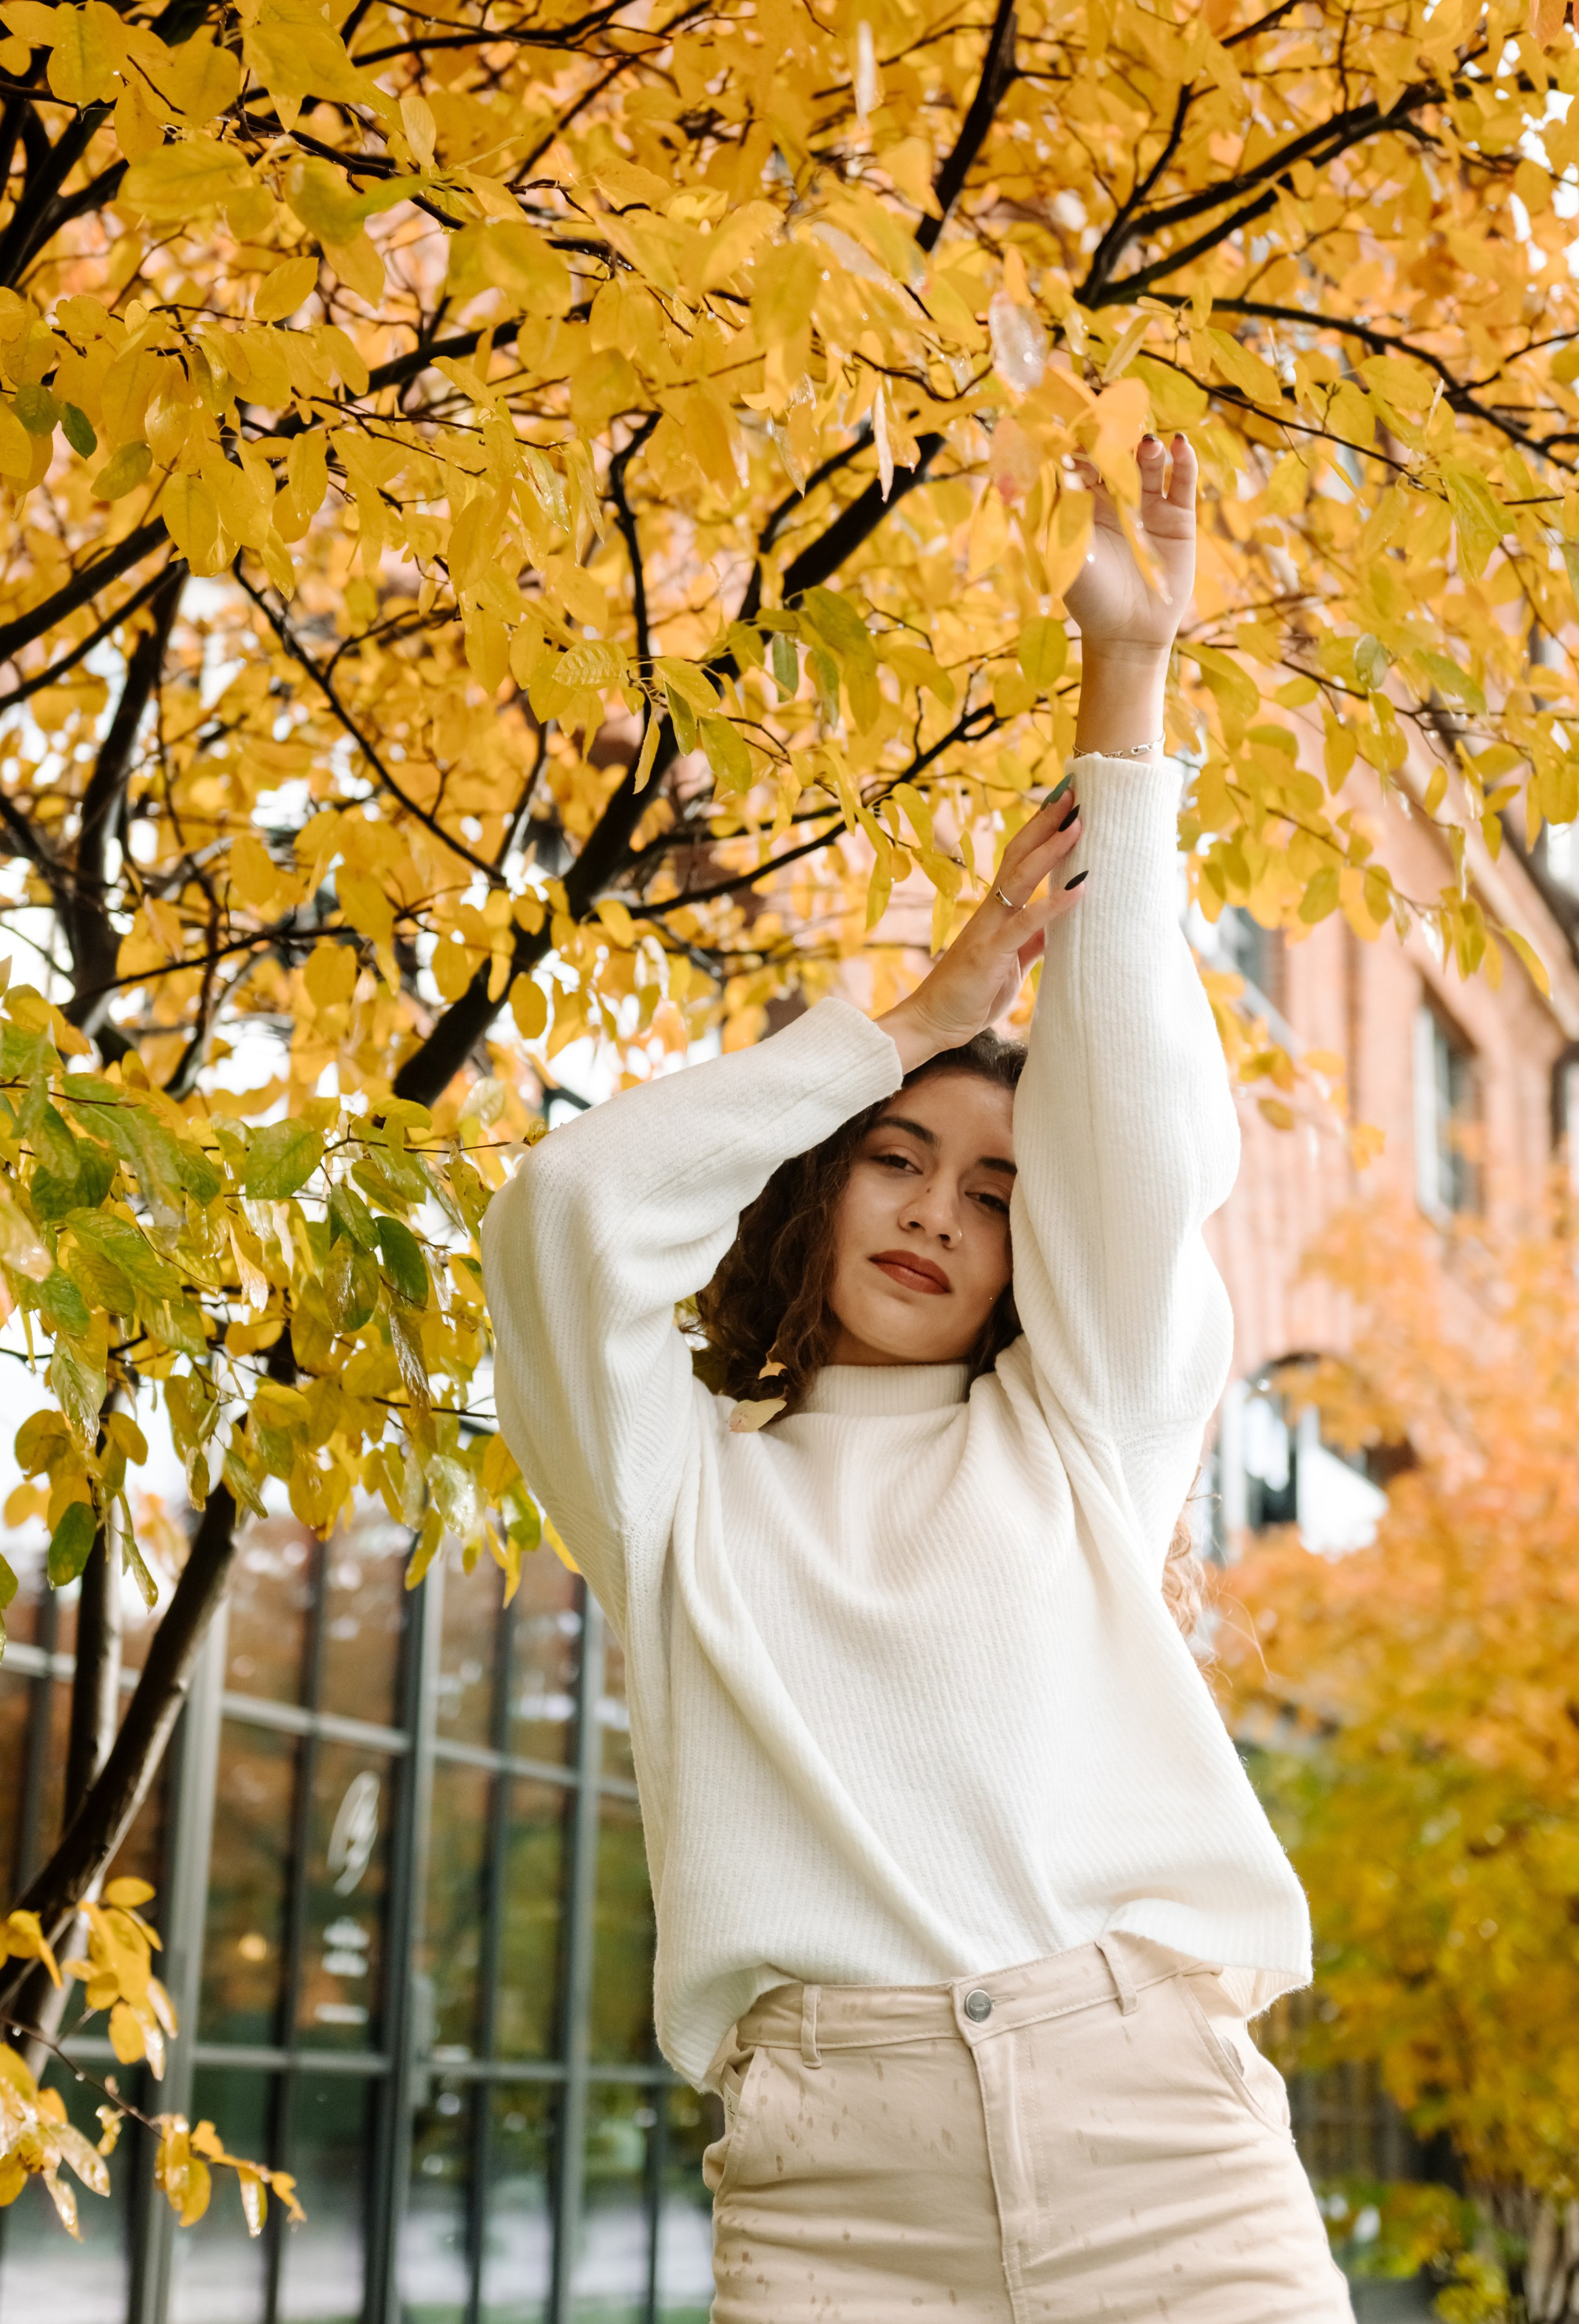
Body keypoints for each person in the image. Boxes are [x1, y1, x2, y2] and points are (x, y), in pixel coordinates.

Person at [483, 434, 1352, 2321]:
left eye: (995, 1193)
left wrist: (1128, 688)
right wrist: (921, 1017)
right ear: (820, 1175)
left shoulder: (1082, 1436)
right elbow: (566, 1207)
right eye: (899, 1156)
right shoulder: (679, 1487)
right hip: (834, 2191)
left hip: (1163, 2152)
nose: (940, 1212)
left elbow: (1142, 1135)